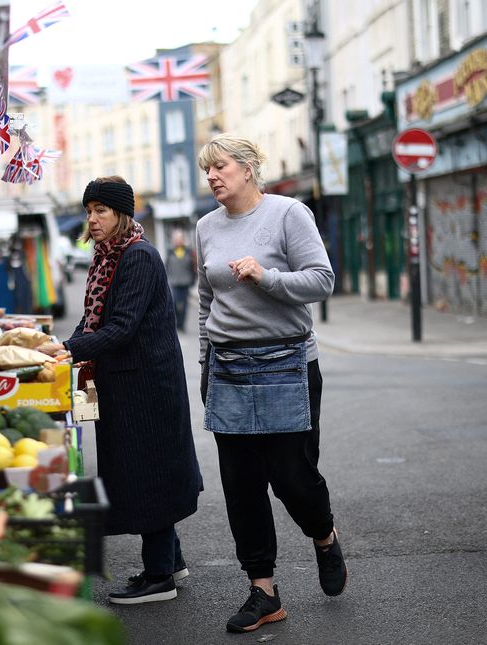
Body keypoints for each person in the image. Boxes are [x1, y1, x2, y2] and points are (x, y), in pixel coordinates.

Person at [194, 134, 347, 634]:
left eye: (220, 167)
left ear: (247, 168)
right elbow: (205, 302)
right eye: (207, 170)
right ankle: (263, 591)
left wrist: (267, 277)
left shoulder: (288, 214)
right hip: (229, 367)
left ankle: (323, 536)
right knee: (240, 486)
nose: (213, 177)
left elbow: (323, 281)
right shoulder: (205, 228)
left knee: (292, 479)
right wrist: (204, 363)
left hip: (287, 364)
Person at [36, 176, 203, 605]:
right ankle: (172, 560)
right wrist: (62, 346)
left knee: (146, 472)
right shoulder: (109, 256)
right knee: (145, 471)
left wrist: (66, 349)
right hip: (124, 383)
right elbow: (92, 320)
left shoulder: (138, 257)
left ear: (121, 214)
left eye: (100, 211)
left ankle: (159, 577)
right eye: (89, 210)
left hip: (145, 386)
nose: (91, 219)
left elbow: (121, 328)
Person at [165, 229, 196, 332]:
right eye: (176, 239)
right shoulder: (170, 252)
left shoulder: (188, 251)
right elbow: (167, 266)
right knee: (174, 303)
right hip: (173, 282)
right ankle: (177, 322)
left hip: (185, 282)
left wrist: (193, 279)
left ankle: (182, 324)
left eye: (180, 239)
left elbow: (193, 267)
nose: (178, 241)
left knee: (184, 305)